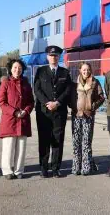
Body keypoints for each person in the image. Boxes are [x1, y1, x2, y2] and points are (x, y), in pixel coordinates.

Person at [34, 45, 71, 178]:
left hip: (59, 111)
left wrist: (57, 102)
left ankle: (55, 168)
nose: (53, 57)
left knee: (58, 140)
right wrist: (47, 103)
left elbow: (68, 91)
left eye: (55, 55)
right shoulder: (40, 71)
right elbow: (37, 89)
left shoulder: (65, 73)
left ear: (59, 56)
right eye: (51, 55)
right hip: (44, 112)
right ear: (47, 56)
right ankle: (43, 168)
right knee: (43, 140)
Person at [0, 59, 34, 180]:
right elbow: (2, 102)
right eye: (15, 68)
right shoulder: (5, 83)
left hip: (23, 119)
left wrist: (26, 111)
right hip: (10, 120)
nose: (17, 70)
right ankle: (7, 170)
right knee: (8, 147)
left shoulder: (26, 84)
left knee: (21, 147)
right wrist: (14, 112)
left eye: (19, 68)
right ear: (10, 69)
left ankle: (19, 170)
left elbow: (31, 101)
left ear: (22, 70)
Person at [69, 62, 105, 176]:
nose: (86, 72)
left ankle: (86, 167)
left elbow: (101, 97)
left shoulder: (95, 82)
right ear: (80, 70)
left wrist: (92, 106)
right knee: (76, 142)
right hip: (76, 116)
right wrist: (73, 106)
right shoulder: (74, 83)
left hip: (88, 116)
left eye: (88, 70)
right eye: (84, 70)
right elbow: (70, 97)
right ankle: (76, 167)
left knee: (86, 142)